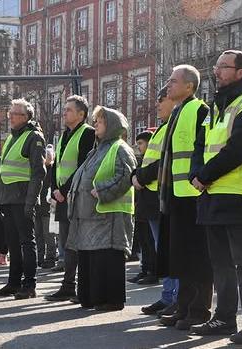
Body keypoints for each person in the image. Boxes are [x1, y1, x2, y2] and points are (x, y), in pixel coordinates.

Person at [189, 50, 242, 344]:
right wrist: (195, 173)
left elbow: (240, 148)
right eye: (216, 67)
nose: (217, 72)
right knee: (221, 262)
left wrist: (204, 174)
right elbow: (201, 146)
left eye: (224, 67)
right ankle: (224, 318)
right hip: (212, 193)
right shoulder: (217, 106)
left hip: (240, 193)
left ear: (240, 72)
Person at [153, 65, 213, 331]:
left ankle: (199, 309)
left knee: (197, 257)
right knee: (181, 257)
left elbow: (203, 149)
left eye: (173, 81)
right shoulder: (177, 111)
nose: (168, 85)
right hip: (176, 195)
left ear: (189, 86)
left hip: (193, 195)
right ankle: (184, 305)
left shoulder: (199, 109)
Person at [66, 105, 136, 311]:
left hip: (109, 216)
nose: (95, 124)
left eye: (101, 120)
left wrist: (102, 191)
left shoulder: (120, 148)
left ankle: (111, 300)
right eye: (96, 120)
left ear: (112, 125)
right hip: (91, 216)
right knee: (91, 258)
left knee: (107, 259)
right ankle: (90, 297)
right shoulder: (96, 150)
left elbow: (126, 176)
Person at [0, 98, 46, 300]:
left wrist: (30, 202)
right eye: (10, 113)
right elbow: (4, 170)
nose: (10, 117)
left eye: (15, 114)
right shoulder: (12, 137)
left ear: (26, 117)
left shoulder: (33, 137)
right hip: (8, 197)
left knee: (26, 242)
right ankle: (14, 282)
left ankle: (29, 284)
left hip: (23, 198)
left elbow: (38, 173)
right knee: (13, 243)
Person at [46, 95, 95, 302]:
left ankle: (79, 285)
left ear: (81, 114)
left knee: (78, 243)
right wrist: (55, 188)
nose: (64, 112)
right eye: (64, 109)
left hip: (76, 196)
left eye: (68, 110)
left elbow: (83, 166)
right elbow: (57, 166)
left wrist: (63, 190)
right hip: (63, 196)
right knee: (67, 243)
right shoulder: (65, 134)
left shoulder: (88, 133)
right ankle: (68, 285)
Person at [139, 88, 180, 316]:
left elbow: (164, 162)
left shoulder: (172, 126)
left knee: (170, 251)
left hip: (164, 196)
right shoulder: (162, 128)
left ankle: (175, 297)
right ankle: (168, 296)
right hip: (155, 197)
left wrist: (141, 177)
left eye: (161, 100)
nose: (158, 105)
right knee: (161, 250)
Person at [127, 130, 157, 285]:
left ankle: (153, 270)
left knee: (151, 241)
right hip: (141, 206)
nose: (138, 147)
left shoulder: (151, 157)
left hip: (151, 204)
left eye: (140, 143)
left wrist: (138, 178)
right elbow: (135, 172)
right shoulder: (142, 159)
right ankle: (145, 269)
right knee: (144, 241)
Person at [35, 145, 57, 268]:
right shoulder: (39, 169)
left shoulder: (53, 169)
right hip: (38, 206)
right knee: (38, 234)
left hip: (48, 207)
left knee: (49, 234)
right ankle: (40, 258)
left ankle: (50, 258)